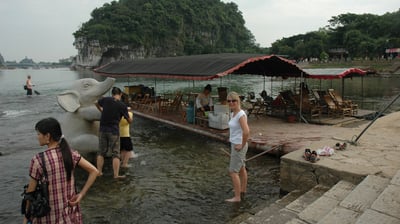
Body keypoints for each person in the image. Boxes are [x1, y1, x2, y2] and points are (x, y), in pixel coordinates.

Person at [23, 117, 98, 224]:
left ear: (48, 136)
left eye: (39, 134)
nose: (37, 137)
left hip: (49, 218)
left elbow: (30, 193)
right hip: (70, 216)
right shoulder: (70, 153)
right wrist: (81, 194)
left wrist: (26, 216)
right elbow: (94, 171)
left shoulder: (38, 160)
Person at [95, 87, 132, 178]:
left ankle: (99, 172)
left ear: (112, 94)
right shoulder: (122, 105)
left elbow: (96, 102)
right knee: (115, 153)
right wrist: (129, 115)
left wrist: (101, 110)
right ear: (120, 94)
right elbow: (129, 121)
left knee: (101, 152)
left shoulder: (105, 100)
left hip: (102, 129)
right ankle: (116, 175)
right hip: (114, 131)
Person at [226, 91, 250, 203]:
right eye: (229, 101)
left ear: (238, 101)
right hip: (235, 144)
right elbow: (236, 129)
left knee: (232, 171)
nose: (231, 103)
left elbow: (246, 132)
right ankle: (242, 190)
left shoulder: (240, 114)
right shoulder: (233, 113)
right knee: (241, 168)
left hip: (239, 146)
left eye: (233, 100)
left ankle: (237, 197)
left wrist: (242, 144)